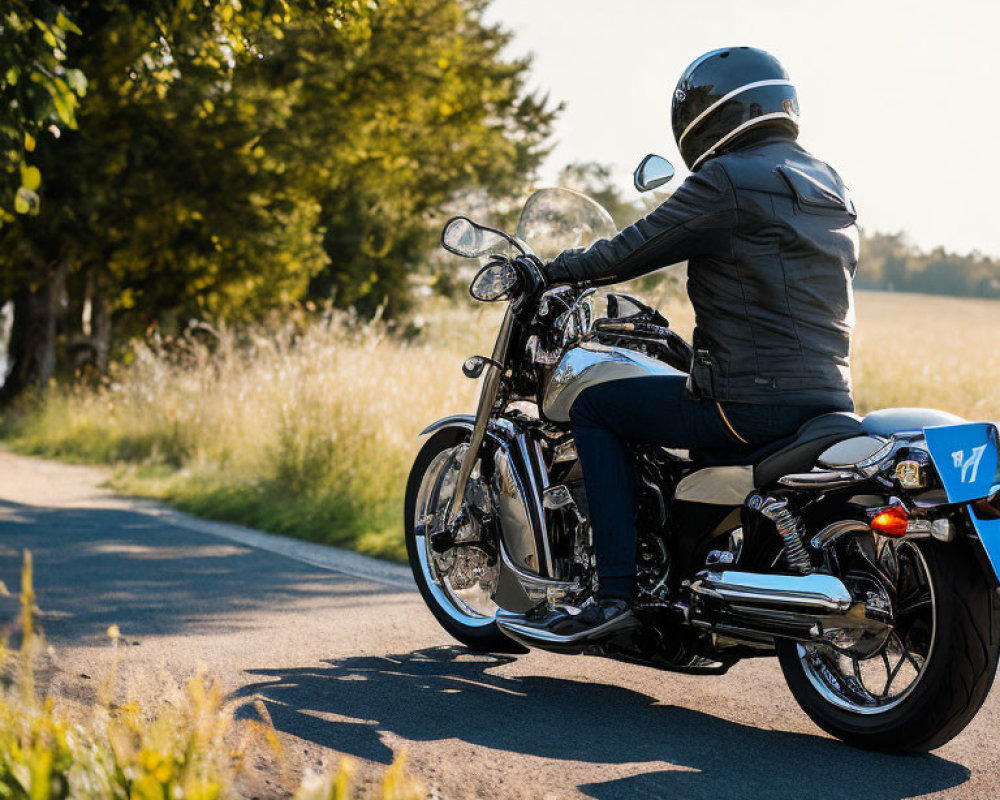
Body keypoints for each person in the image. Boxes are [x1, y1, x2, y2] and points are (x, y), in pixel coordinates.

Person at [504, 46, 859, 640]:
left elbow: (630, 250)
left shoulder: (727, 178)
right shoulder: (829, 182)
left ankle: (613, 593)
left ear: (710, 114)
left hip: (744, 403)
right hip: (827, 397)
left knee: (595, 407)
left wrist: (553, 268)